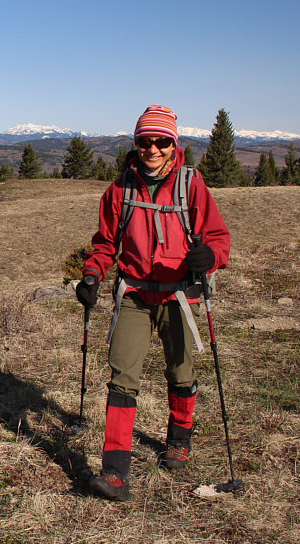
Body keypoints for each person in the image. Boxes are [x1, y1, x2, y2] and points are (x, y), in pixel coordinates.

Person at [75, 105, 230, 501]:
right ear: (137, 144)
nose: (154, 149)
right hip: (134, 296)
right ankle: (115, 472)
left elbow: (217, 236)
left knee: (180, 371)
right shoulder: (119, 191)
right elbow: (106, 243)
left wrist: (209, 257)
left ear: (173, 144)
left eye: (162, 142)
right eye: (146, 141)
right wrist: (92, 274)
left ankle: (179, 440)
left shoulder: (191, 185)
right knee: (122, 376)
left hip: (180, 294)